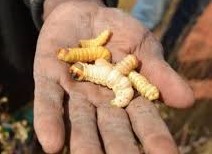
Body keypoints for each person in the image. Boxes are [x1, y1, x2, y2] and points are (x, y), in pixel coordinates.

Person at [0, 0, 194, 153]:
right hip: (19, 76)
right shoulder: (99, 64)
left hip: (23, 66)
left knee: (44, 131)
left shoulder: (103, 66)